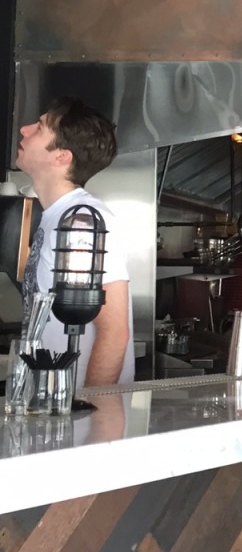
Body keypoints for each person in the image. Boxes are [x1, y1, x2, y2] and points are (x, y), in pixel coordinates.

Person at [17, 97, 133, 388]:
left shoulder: (82, 222)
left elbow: (114, 333)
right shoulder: (57, 216)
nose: (24, 130)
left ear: (61, 157)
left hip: (77, 407)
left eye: (39, 128)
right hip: (54, 402)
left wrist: (94, 408)